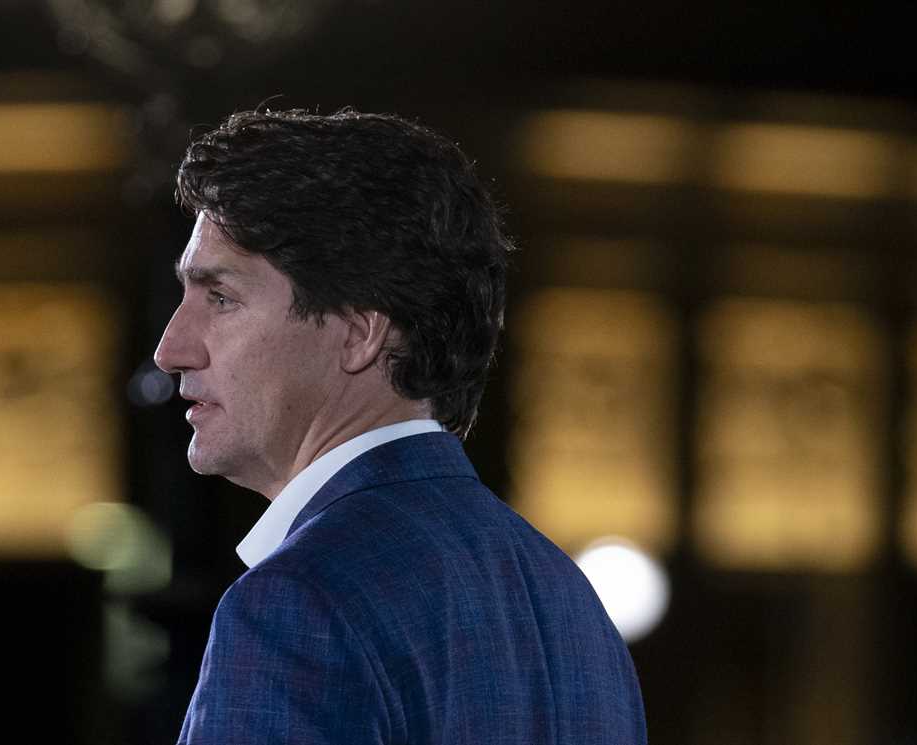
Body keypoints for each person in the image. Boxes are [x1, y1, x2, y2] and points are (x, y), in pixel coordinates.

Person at [154, 108, 647, 744]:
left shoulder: (298, 603)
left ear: (361, 334)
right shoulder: (573, 608)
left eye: (220, 298)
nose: (172, 348)